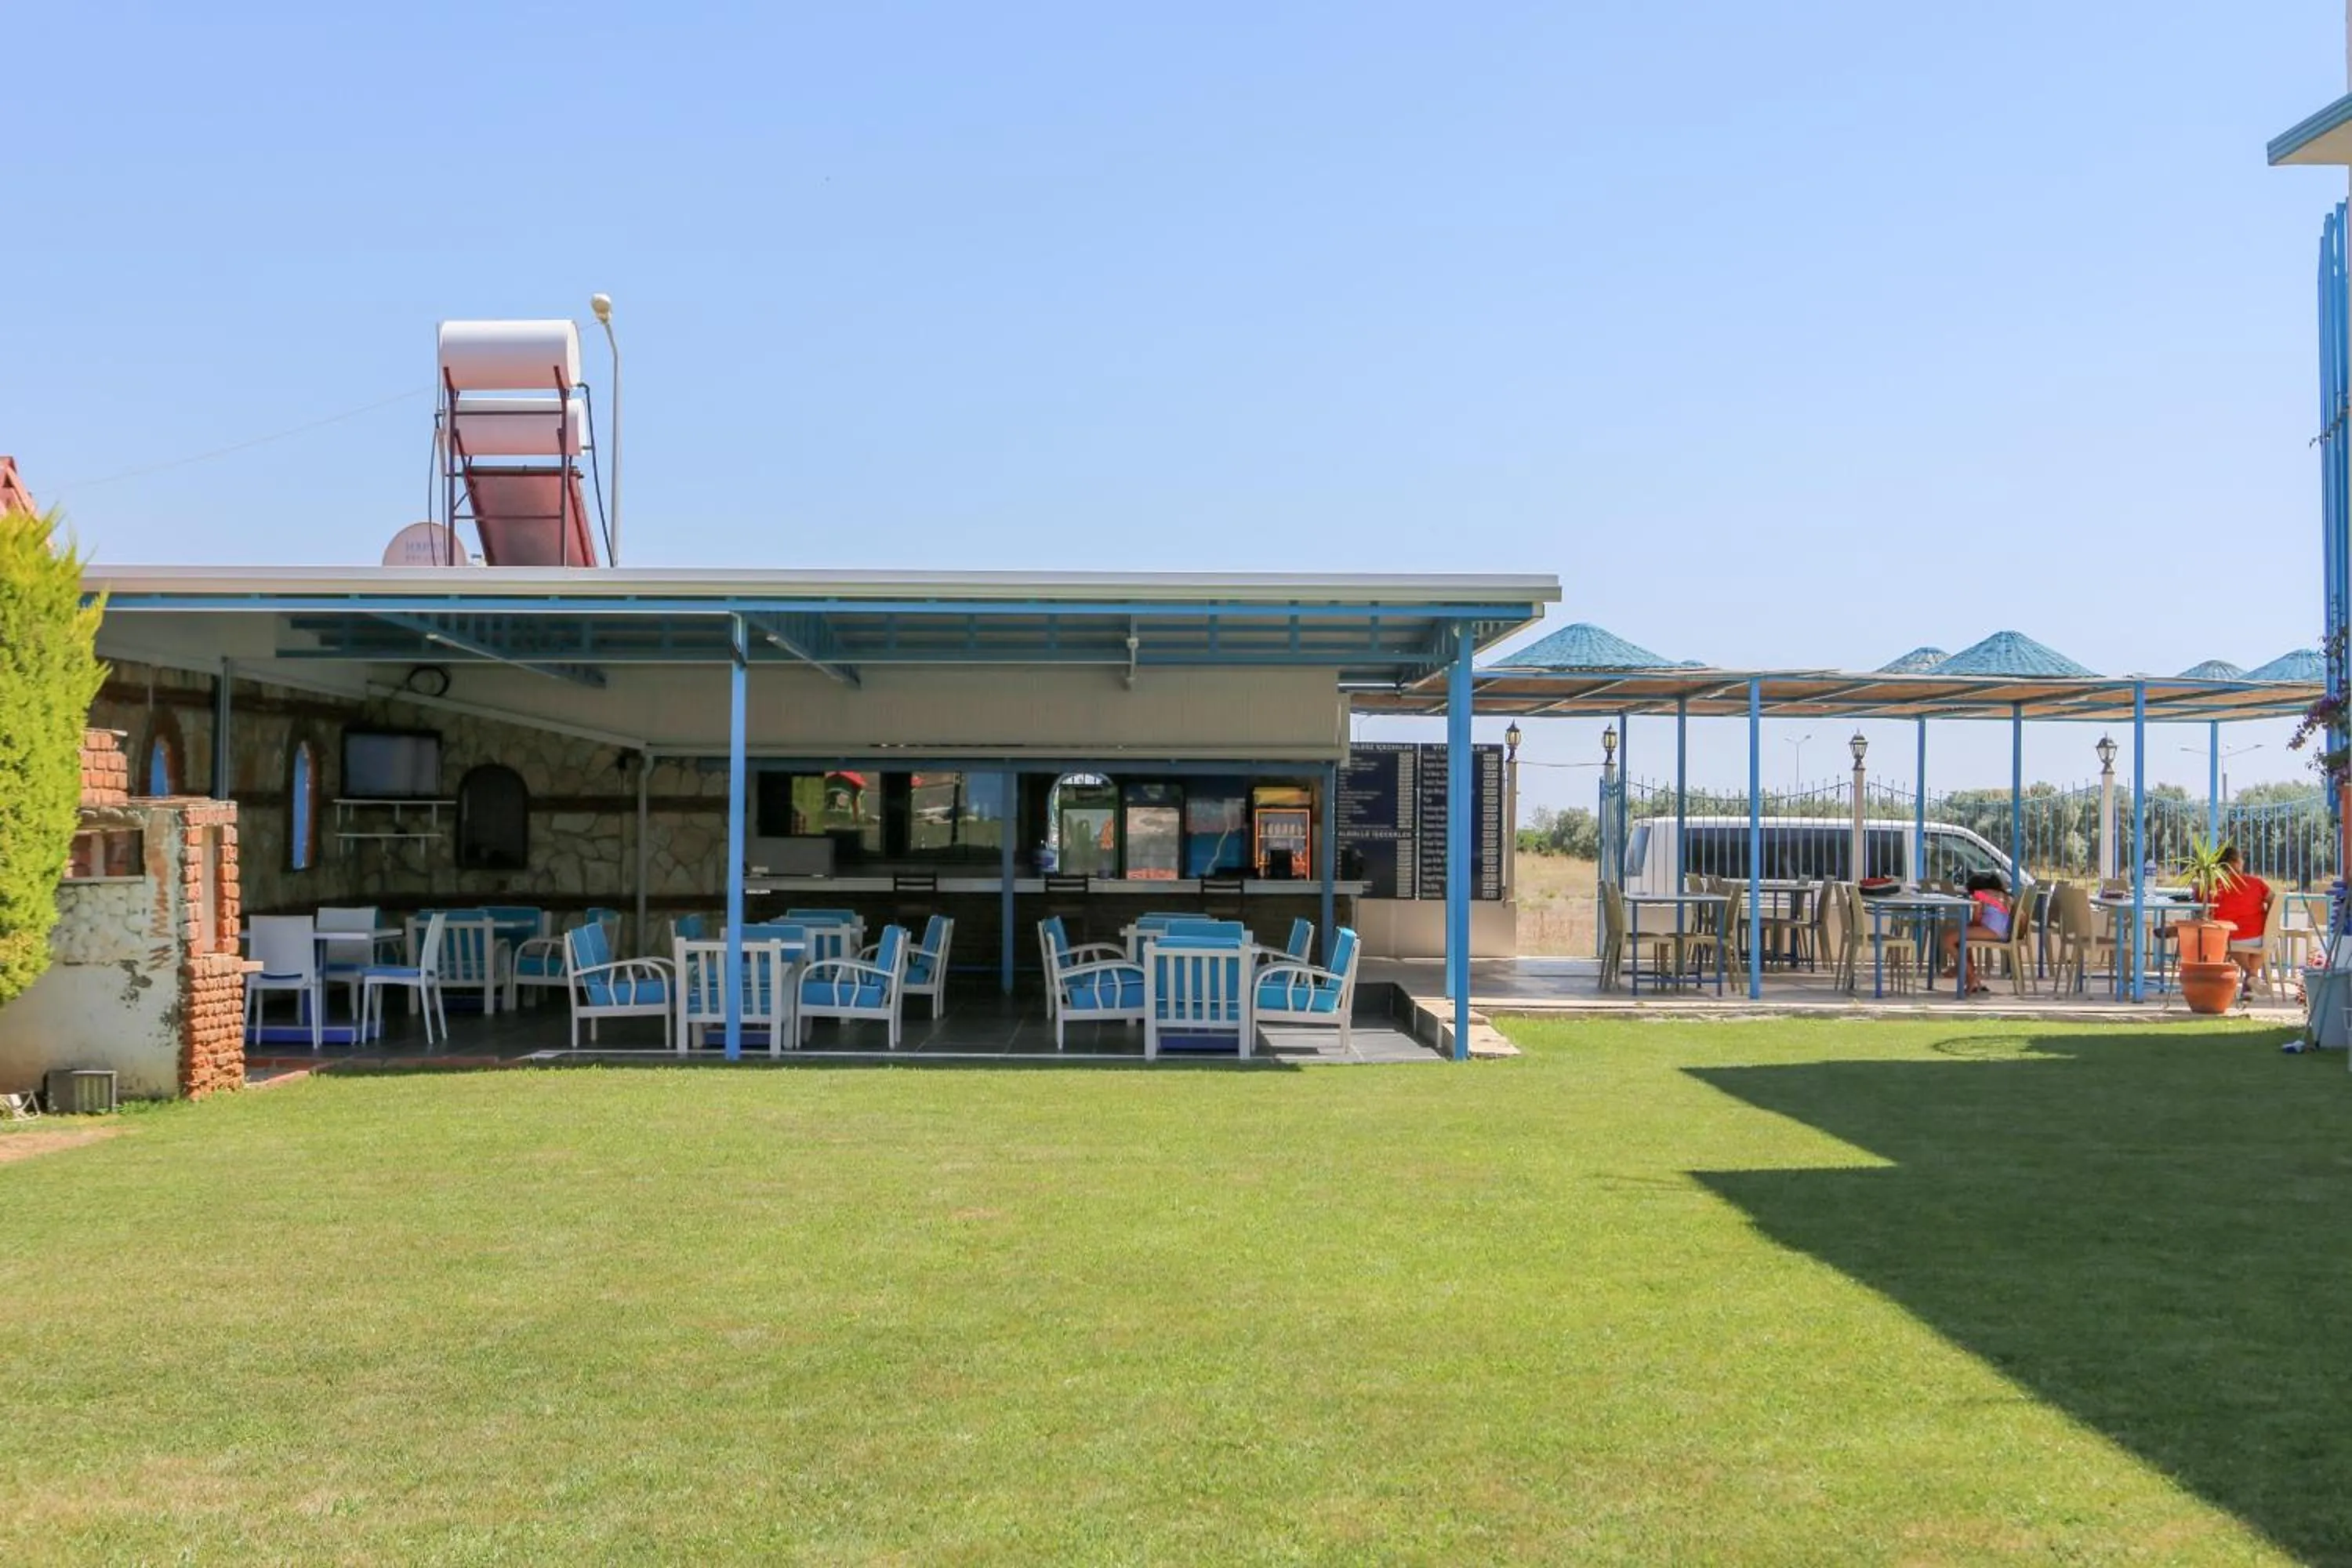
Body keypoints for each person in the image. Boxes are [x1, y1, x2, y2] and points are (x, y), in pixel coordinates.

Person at [2205, 844, 2272, 986]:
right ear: (2237, 862)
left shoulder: (2215, 886)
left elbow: (2203, 908)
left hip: (2232, 940)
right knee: (2265, 944)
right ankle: (2251, 978)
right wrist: (2269, 920)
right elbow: (2274, 899)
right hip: (2261, 938)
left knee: (2225, 939)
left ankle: (2250, 973)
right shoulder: (2256, 883)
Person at [1941, 870, 2009, 994]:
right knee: (1961, 939)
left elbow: (1977, 920)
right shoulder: (2001, 894)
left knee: (1948, 939)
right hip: (2002, 931)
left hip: (1992, 931)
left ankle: (1969, 974)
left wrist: (1968, 928)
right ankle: (1969, 974)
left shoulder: (1979, 895)